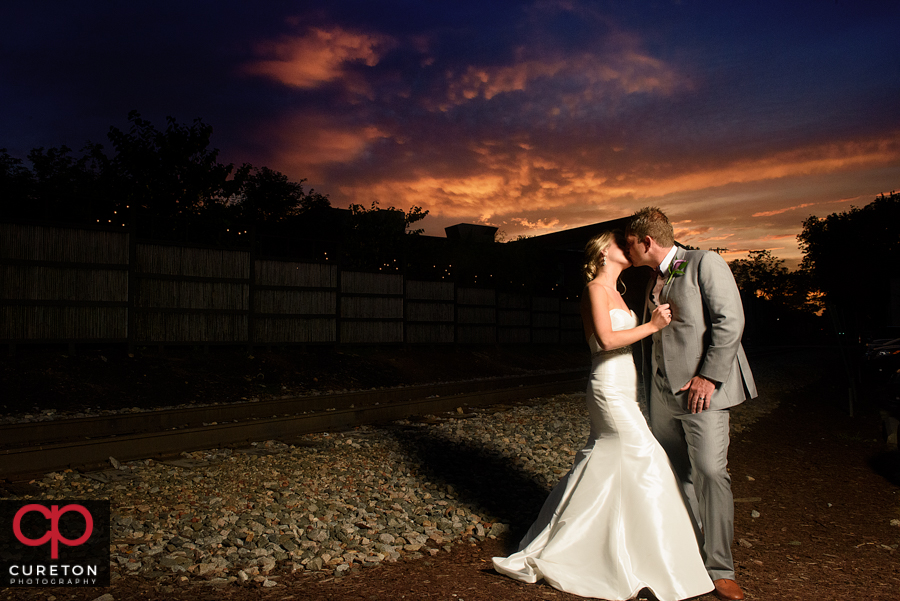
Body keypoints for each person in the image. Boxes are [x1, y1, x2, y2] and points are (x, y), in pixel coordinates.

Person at [492, 230, 714, 601]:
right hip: (608, 385)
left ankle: (610, 545)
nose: (625, 249)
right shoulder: (595, 289)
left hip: (625, 384)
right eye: (617, 245)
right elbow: (608, 340)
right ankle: (652, 557)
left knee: (611, 461)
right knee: (646, 455)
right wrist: (652, 326)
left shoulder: (622, 293)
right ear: (601, 255)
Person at [625, 207, 757, 601]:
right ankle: (687, 558)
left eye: (629, 243)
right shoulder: (653, 278)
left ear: (647, 241)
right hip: (663, 396)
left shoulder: (703, 262)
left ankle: (721, 569)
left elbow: (730, 321)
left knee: (711, 472)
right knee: (674, 474)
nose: (625, 249)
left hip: (702, 393)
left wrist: (710, 376)